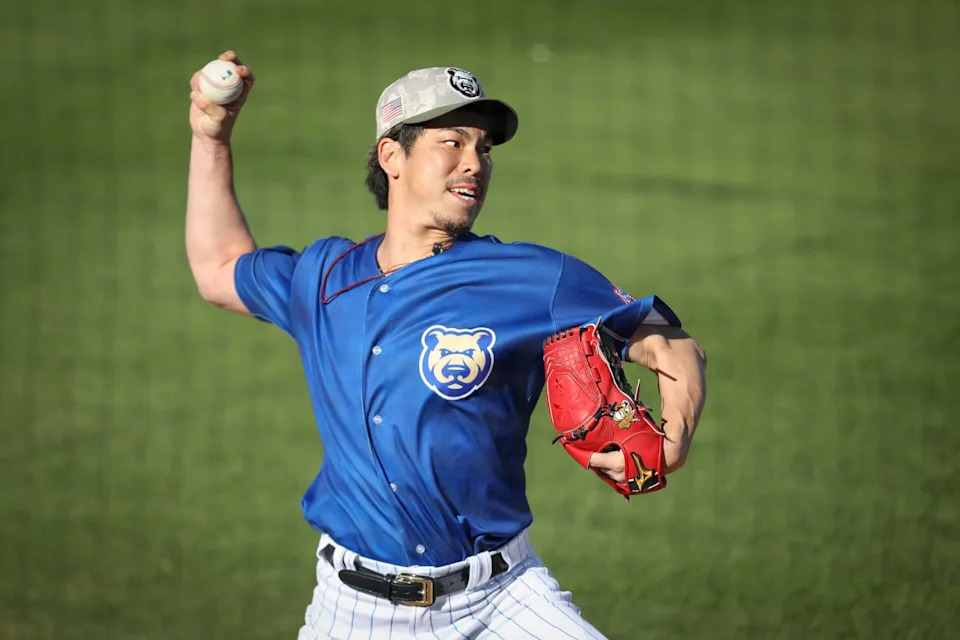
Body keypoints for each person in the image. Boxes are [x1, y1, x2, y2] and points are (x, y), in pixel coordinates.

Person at [186, 51, 707, 640]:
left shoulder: (531, 277)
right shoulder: (324, 278)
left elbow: (669, 341)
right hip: (351, 612)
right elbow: (218, 267)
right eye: (452, 143)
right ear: (392, 156)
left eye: (483, 149)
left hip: (501, 599)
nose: (474, 164)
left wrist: (675, 441)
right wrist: (212, 136)